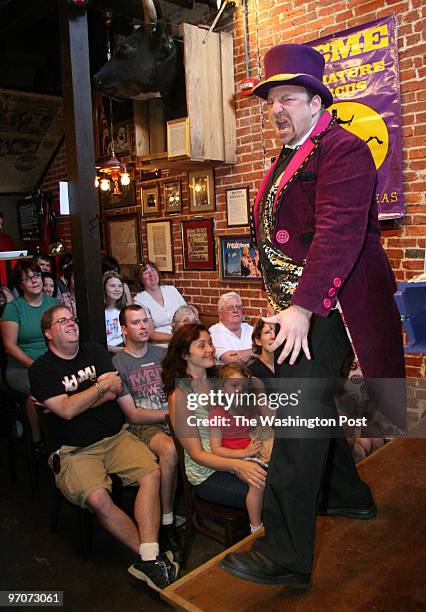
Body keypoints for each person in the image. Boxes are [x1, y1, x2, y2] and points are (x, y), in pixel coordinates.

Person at [220, 44, 405, 587]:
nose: (278, 109)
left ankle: (285, 556)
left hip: (333, 304)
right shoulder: (288, 155)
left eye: (289, 98)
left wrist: (301, 306)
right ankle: (348, 497)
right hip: (304, 304)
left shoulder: (341, 148)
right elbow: (286, 236)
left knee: (297, 424)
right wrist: (278, 292)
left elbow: (338, 232)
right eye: (272, 100)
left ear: (315, 99)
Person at [28, 305, 178, 591]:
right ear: (48, 333)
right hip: (73, 449)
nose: (71, 323)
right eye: (62, 321)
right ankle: (153, 558)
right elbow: (71, 411)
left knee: (152, 474)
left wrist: (73, 402)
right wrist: (95, 391)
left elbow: (111, 391)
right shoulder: (42, 369)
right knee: (98, 499)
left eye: (72, 318)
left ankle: (148, 559)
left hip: (116, 437)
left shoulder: (95, 351)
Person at [162, 324, 266, 509]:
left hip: (238, 453)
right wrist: (237, 465)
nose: (211, 349)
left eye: (210, 343)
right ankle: (259, 533)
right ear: (185, 354)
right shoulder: (180, 395)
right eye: (202, 346)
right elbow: (197, 454)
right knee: (270, 493)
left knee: (286, 478)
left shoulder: (218, 378)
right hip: (208, 472)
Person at [113, 305, 180, 554]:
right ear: (124, 329)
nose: (143, 326)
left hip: (170, 417)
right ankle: (167, 520)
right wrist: (171, 414)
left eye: (145, 321)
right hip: (141, 426)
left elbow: (177, 389)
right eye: (135, 322)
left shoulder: (162, 355)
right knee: (171, 450)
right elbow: (132, 414)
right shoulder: (118, 363)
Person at [0, 260, 58, 445]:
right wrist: (35, 365)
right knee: (38, 388)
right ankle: (37, 440)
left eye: (37, 275)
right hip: (22, 366)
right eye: (28, 278)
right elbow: (9, 346)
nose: (34, 281)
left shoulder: (53, 304)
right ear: (20, 284)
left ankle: (62, 431)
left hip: (53, 362)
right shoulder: (14, 308)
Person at [209, 364, 270, 533]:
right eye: (234, 386)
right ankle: (256, 527)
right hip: (236, 458)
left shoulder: (246, 407)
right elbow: (216, 449)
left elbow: (259, 425)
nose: (239, 391)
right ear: (221, 388)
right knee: (257, 483)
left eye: (243, 386)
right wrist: (244, 453)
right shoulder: (217, 413)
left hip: (255, 451)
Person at [133, 260, 186, 346]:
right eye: (146, 272)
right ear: (141, 279)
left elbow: (187, 313)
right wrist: (176, 338)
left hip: (183, 336)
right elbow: (150, 333)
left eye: (153, 270)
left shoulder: (171, 290)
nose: (151, 275)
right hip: (162, 344)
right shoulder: (140, 300)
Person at [209, 292, 253, 365]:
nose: (235, 310)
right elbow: (232, 361)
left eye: (238, 306)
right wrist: (255, 352)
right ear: (220, 314)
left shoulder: (249, 328)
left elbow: (267, 351)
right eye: (230, 308)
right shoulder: (214, 332)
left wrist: (248, 352)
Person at [103, 271, 126, 353]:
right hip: (106, 350)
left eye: (120, 286)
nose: (117, 290)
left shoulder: (123, 310)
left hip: (122, 347)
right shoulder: (99, 312)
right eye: (112, 286)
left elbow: (125, 335)